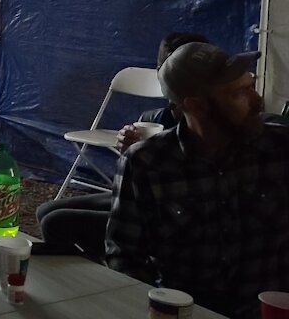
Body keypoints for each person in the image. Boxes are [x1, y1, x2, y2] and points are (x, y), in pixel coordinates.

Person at [105, 42, 289, 318]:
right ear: (196, 106)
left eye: (250, 85)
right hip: (184, 310)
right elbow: (124, 257)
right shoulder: (147, 163)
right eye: (238, 93)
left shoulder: (280, 151)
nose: (255, 99)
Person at [34, 32, 208, 259]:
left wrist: (149, 157)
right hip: (141, 198)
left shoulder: (206, 123)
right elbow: (132, 183)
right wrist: (130, 153)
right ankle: (94, 265)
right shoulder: (155, 118)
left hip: (167, 212)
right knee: (45, 210)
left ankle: (106, 273)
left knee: (55, 221)